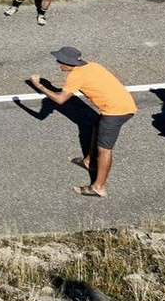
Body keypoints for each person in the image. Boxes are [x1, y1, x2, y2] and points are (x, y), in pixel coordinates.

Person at [26, 48, 137, 196]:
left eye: (59, 60)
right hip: (124, 103)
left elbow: (60, 100)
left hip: (116, 112)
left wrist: (39, 86)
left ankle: (99, 187)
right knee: (96, 126)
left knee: (105, 149)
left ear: (67, 63)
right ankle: (89, 162)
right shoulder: (92, 66)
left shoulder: (75, 76)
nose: (58, 63)